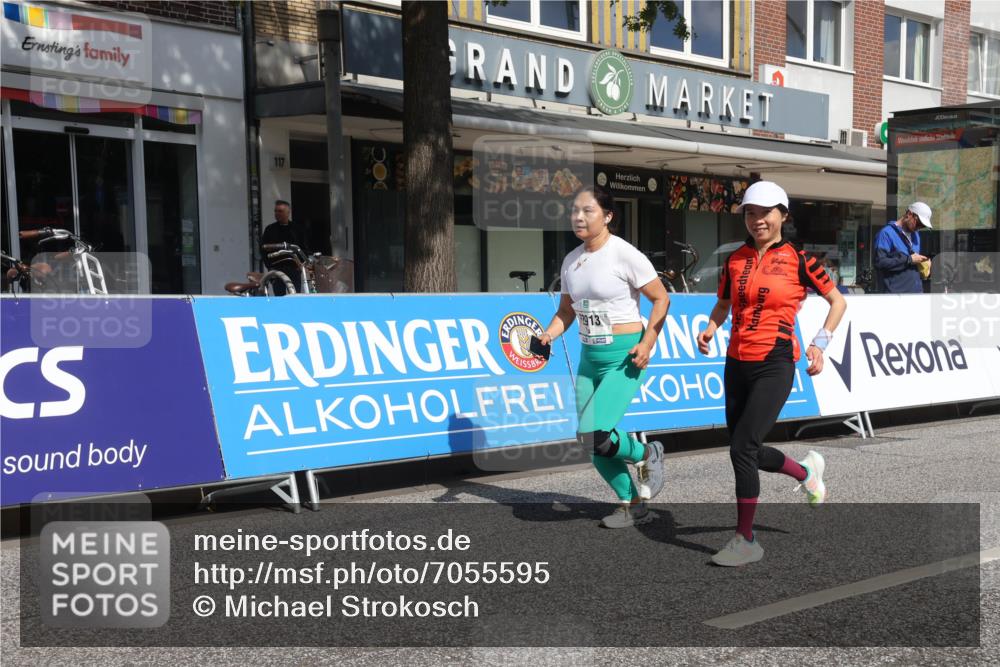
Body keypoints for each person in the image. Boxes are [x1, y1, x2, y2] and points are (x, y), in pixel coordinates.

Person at [696, 181, 847, 566]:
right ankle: (806, 472)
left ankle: (745, 540)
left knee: (741, 448)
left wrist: (820, 343)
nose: (757, 219)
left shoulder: (800, 260)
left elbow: (837, 301)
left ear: (783, 215)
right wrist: (712, 328)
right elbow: (724, 303)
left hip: (775, 362)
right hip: (736, 361)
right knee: (747, 448)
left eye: (765, 212)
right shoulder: (735, 259)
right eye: (750, 212)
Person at [536, 186, 671, 529]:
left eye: (588, 211)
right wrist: (549, 334)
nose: (578, 217)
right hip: (589, 358)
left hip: (624, 357)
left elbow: (661, 299)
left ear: (608, 216)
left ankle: (647, 454)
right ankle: (632, 502)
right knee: (588, 439)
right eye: (574, 211)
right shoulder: (571, 261)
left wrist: (649, 340)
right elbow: (566, 311)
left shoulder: (624, 254)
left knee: (596, 432)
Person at [874, 202, 932, 294]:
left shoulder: (916, 235)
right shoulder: (886, 233)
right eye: (918, 224)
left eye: (923, 226)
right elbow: (880, 263)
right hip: (895, 295)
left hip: (916, 293)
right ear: (909, 214)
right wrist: (908, 260)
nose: (919, 228)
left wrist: (922, 264)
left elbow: (911, 262)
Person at [260, 199, 304, 293]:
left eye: (280, 211)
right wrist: (269, 267)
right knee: (279, 297)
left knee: (295, 296)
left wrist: (301, 264)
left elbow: (303, 247)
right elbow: (263, 250)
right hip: (277, 269)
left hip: (294, 268)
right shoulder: (270, 229)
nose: (277, 213)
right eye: (275, 211)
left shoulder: (297, 229)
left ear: (288, 213)